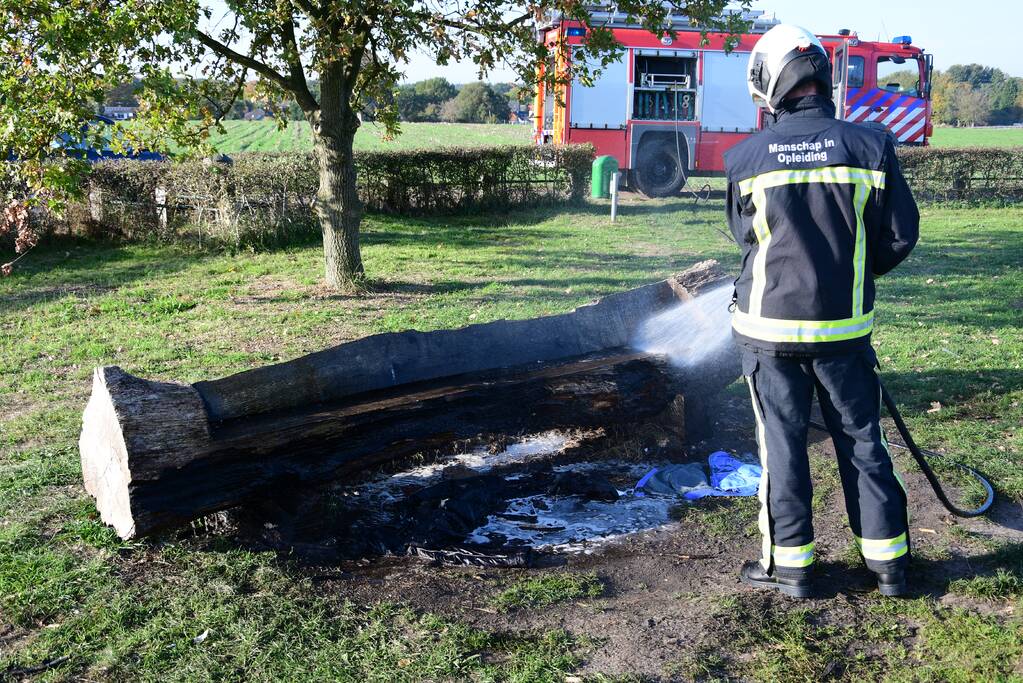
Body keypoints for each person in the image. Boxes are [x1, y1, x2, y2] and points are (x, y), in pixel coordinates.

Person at [723, 24, 920, 598]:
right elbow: (901, 234)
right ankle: (888, 566)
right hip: (844, 331)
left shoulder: (744, 157)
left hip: (766, 331)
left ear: (769, 82)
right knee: (862, 441)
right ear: (820, 76)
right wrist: (852, 273)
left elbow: (744, 237)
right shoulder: (871, 145)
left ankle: (791, 570)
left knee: (782, 444)